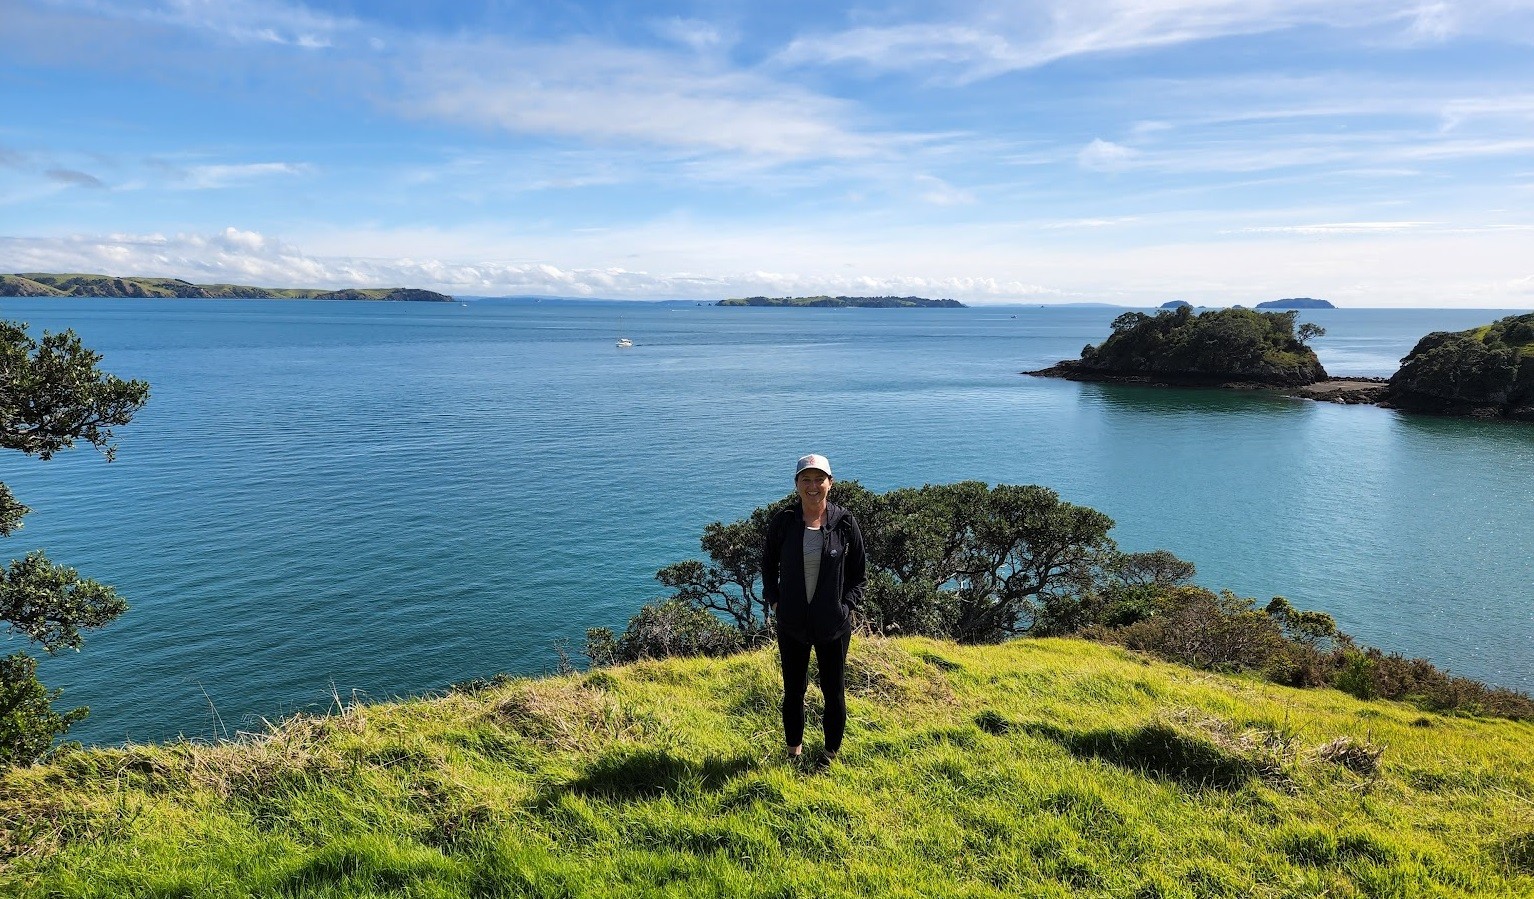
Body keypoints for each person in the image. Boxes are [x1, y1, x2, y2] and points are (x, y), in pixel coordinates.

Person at [761, 453, 867, 763]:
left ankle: (829, 754)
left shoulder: (844, 523)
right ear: (796, 485)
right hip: (792, 623)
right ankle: (794, 752)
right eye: (805, 479)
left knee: (833, 693)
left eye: (819, 479)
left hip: (832, 626)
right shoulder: (784, 522)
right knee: (794, 691)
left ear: (830, 483)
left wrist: (844, 607)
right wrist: (775, 599)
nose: (812, 485)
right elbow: (768, 564)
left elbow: (859, 575)